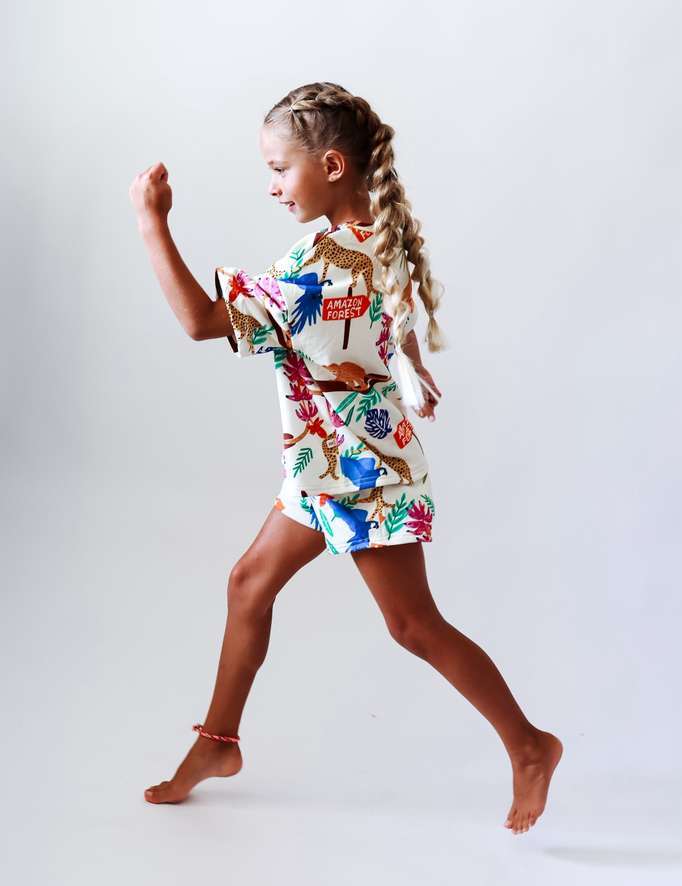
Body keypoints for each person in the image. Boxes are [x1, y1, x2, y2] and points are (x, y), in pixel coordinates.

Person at [129, 81, 562, 833]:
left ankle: (529, 746)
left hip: (365, 473)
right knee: (248, 583)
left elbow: (201, 321)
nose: (272, 186)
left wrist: (151, 223)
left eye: (279, 169)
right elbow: (390, 314)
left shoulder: (318, 264)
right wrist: (408, 362)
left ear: (331, 165)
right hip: (323, 463)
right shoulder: (372, 240)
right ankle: (218, 744)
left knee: (413, 626)